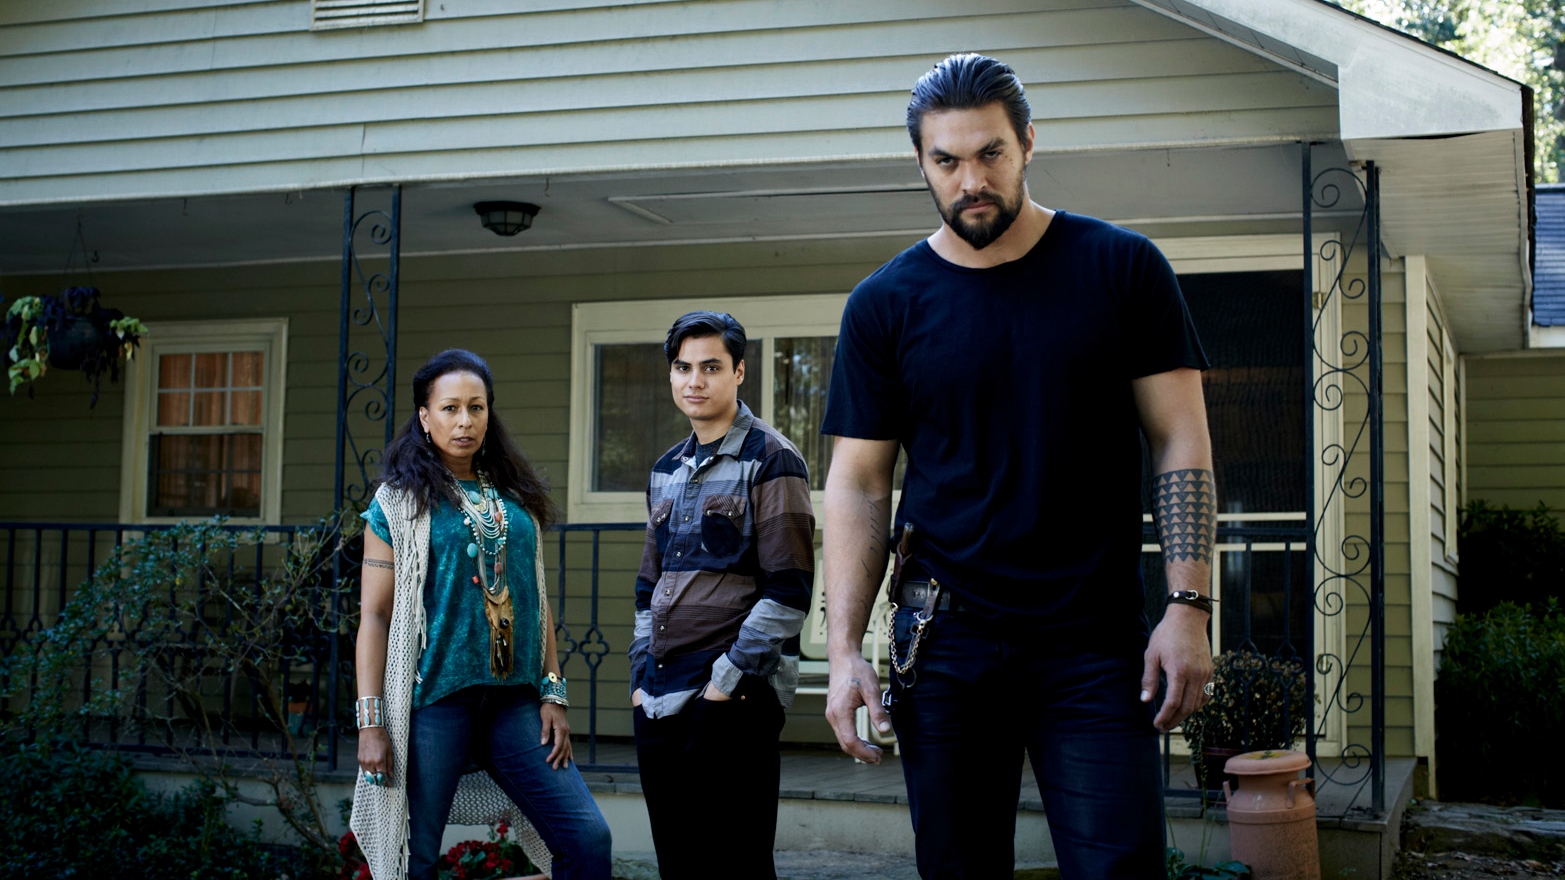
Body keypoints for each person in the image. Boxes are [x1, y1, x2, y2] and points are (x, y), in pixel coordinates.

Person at [821, 54, 1218, 879]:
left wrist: (1187, 606)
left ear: (1028, 143)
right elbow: (861, 483)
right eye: (947, 161)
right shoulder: (884, 305)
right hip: (944, 643)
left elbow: (1179, 441)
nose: (971, 179)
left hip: (1093, 643)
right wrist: (843, 650)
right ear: (921, 164)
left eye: (989, 153)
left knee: (1121, 869)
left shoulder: (1121, 268)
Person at [351, 349, 612, 880]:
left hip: (514, 703)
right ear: (425, 417)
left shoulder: (516, 499)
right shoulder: (395, 504)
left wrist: (553, 694)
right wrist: (371, 723)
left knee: (587, 836)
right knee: (413, 858)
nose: (464, 421)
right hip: (433, 702)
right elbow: (375, 618)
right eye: (449, 408)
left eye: (476, 407)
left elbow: (537, 604)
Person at [627, 311, 816, 880]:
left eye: (711, 367)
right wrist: (640, 678)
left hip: (732, 696)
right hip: (659, 694)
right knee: (680, 863)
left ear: (738, 372)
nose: (694, 381)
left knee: (736, 863)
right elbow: (647, 586)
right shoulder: (665, 469)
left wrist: (723, 683)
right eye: (683, 368)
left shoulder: (772, 458)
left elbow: (790, 589)